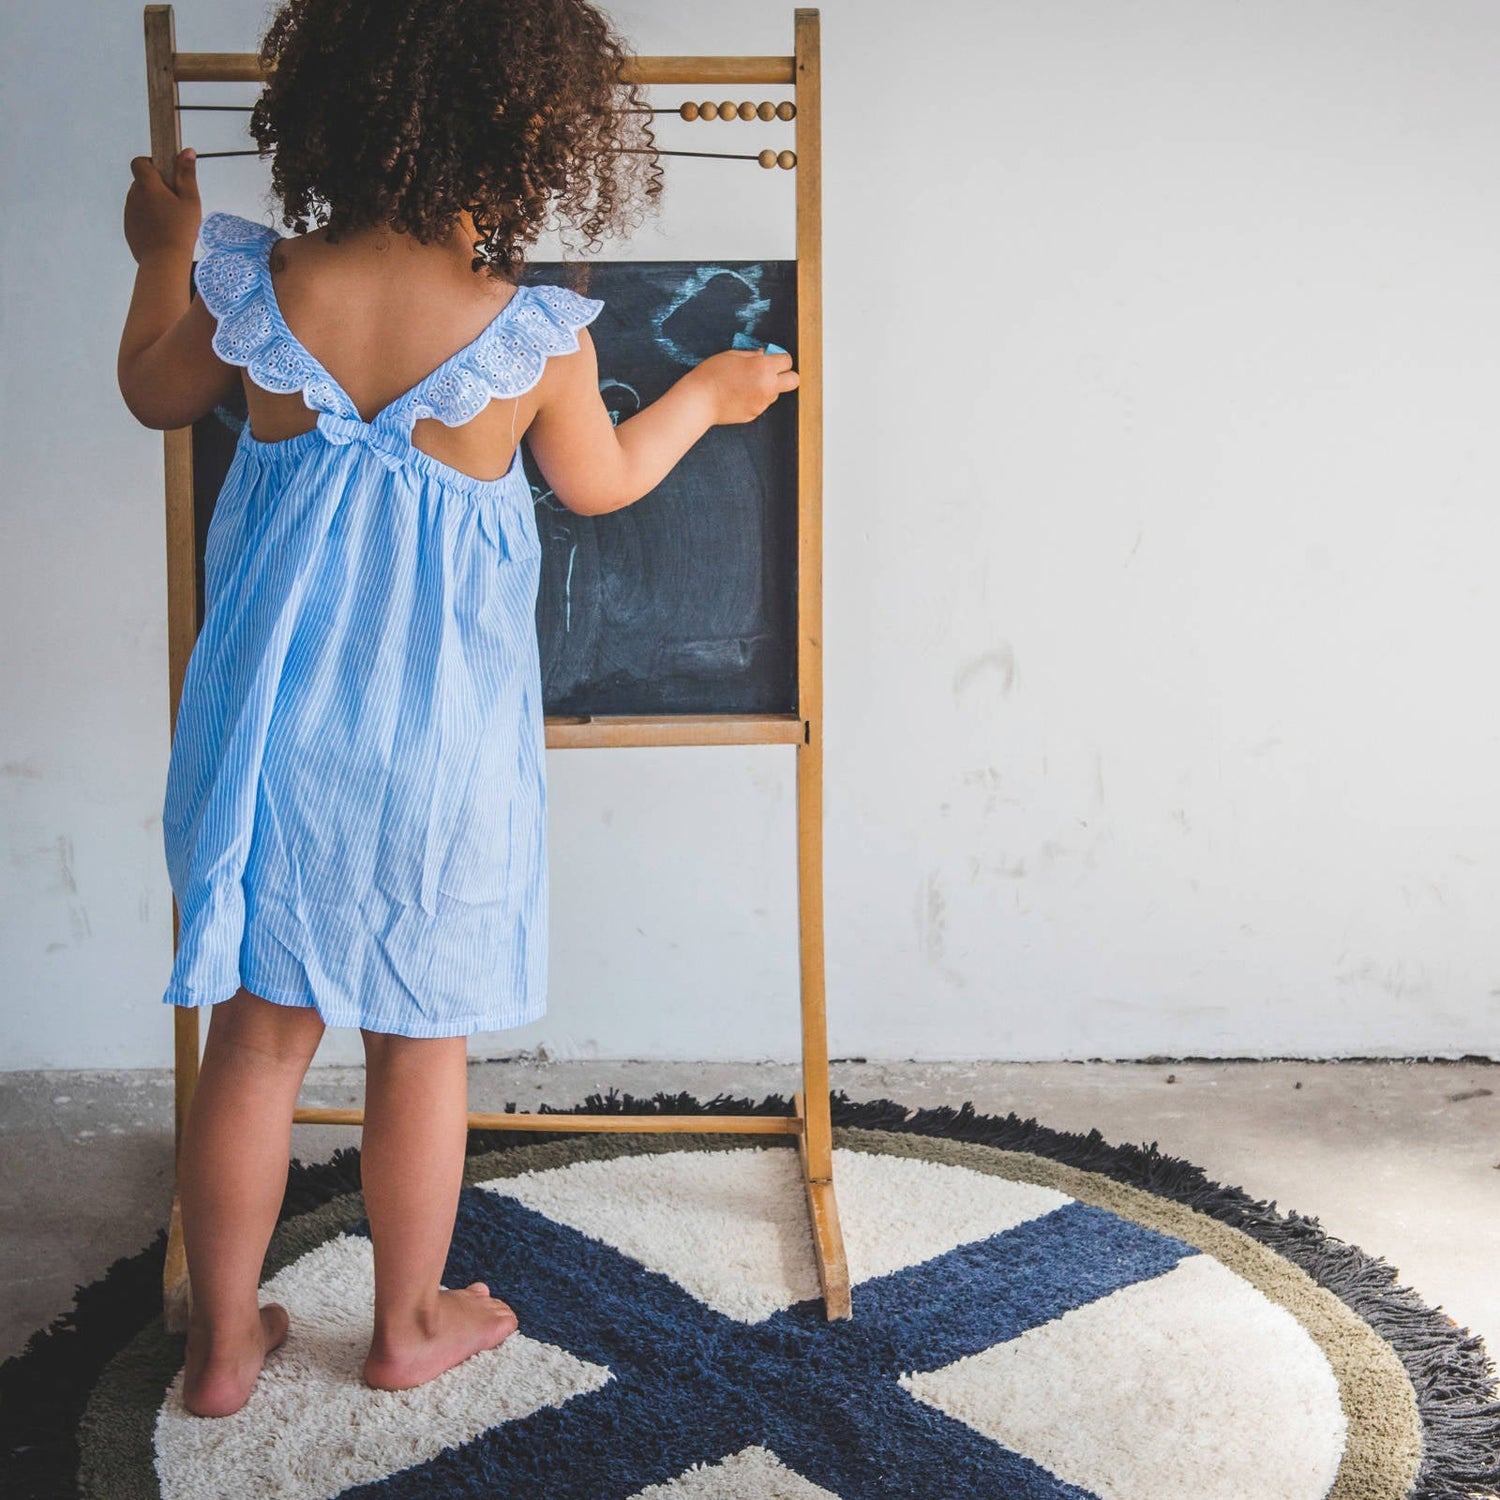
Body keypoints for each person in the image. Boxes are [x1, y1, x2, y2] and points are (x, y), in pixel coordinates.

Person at [117, 0, 797, 1420]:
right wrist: (713, 396)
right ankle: (408, 1319)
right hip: (435, 753)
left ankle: (221, 1349)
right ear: (529, 138)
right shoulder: (531, 338)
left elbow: (149, 390)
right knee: (421, 1038)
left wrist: (164, 254)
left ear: (328, 120)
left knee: (258, 1037)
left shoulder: (265, 291)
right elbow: (602, 485)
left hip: (270, 740)